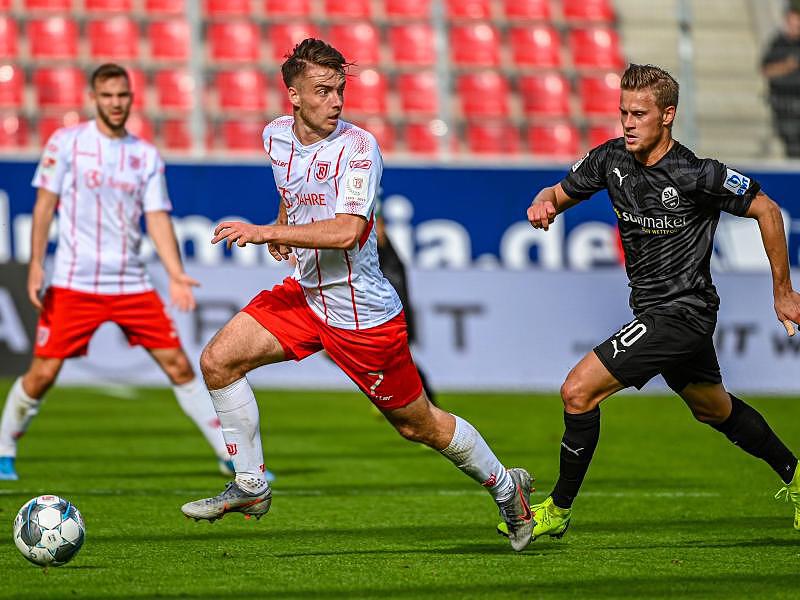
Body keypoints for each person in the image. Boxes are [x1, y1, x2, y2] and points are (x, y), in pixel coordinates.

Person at [180, 39, 535, 552]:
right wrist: (282, 226)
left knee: (419, 426)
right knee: (218, 361)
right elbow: (291, 191)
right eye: (323, 91)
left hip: (361, 313)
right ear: (293, 95)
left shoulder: (359, 147)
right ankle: (252, 486)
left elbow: (348, 231)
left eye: (340, 89)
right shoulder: (275, 137)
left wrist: (261, 232)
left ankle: (507, 487)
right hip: (305, 296)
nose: (337, 101)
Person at [500, 63, 800, 542]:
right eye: (623, 112)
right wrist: (545, 204)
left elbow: (766, 209)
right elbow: (556, 193)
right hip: (656, 313)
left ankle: (556, 509)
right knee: (713, 408)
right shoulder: (610, 160)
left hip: (684, 314)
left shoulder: (697, 174)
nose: (628, 122)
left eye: (639, 113)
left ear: (667, 115)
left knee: (578, 391)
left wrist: (782, 291)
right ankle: (795, 472)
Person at [0, 63, 237, 481]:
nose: (115, 103)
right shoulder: (67, 143)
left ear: (131, 98)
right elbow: (44, 206)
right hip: (75, 282)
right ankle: (4, 451)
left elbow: (158, 218)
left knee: (179, 366)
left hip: (131, 283)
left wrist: (176, 273)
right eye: (107, 96)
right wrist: (37, 264)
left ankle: (227, 454)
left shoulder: (144, 155)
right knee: (43, 374)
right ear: (93, 98)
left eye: (122, 96)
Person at [761, 3, 800, 158]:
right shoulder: (777, 43)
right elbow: (766, 70)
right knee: (793, 148)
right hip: (784, 107)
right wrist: (788, 66)